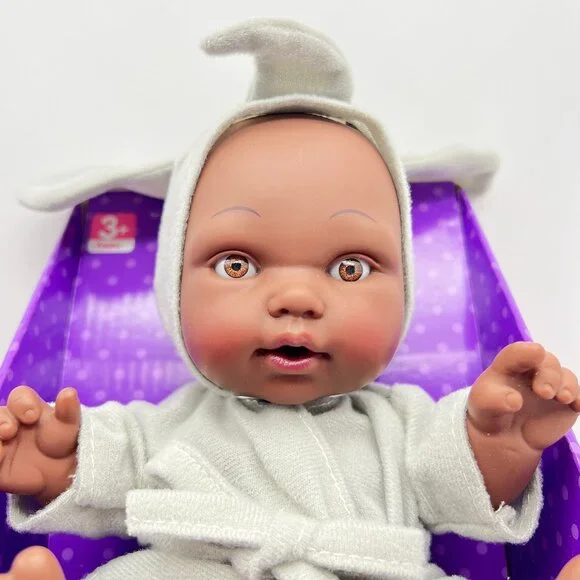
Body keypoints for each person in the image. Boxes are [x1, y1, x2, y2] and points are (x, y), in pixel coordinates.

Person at [1, 18, 579, 580]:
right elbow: (109, 463)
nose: (297, 297)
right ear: (173, 290)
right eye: (237, 264)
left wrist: (498, 442)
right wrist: (58, 461)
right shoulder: (164, 426)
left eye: (350, 268)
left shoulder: (405, 425)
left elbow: (455, 479)